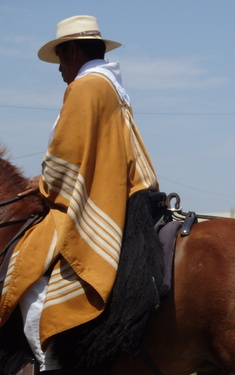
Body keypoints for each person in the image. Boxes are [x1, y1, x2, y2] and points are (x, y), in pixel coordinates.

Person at [0, 15, 158, 372]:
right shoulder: (112, 86)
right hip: (123, 192)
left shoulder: (85, 87)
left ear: (72, 50)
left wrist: (40, 186)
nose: (59, 70)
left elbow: (65, 154)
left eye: (59, 59)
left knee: (25, 270)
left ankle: (49, 358)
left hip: (97, 203)